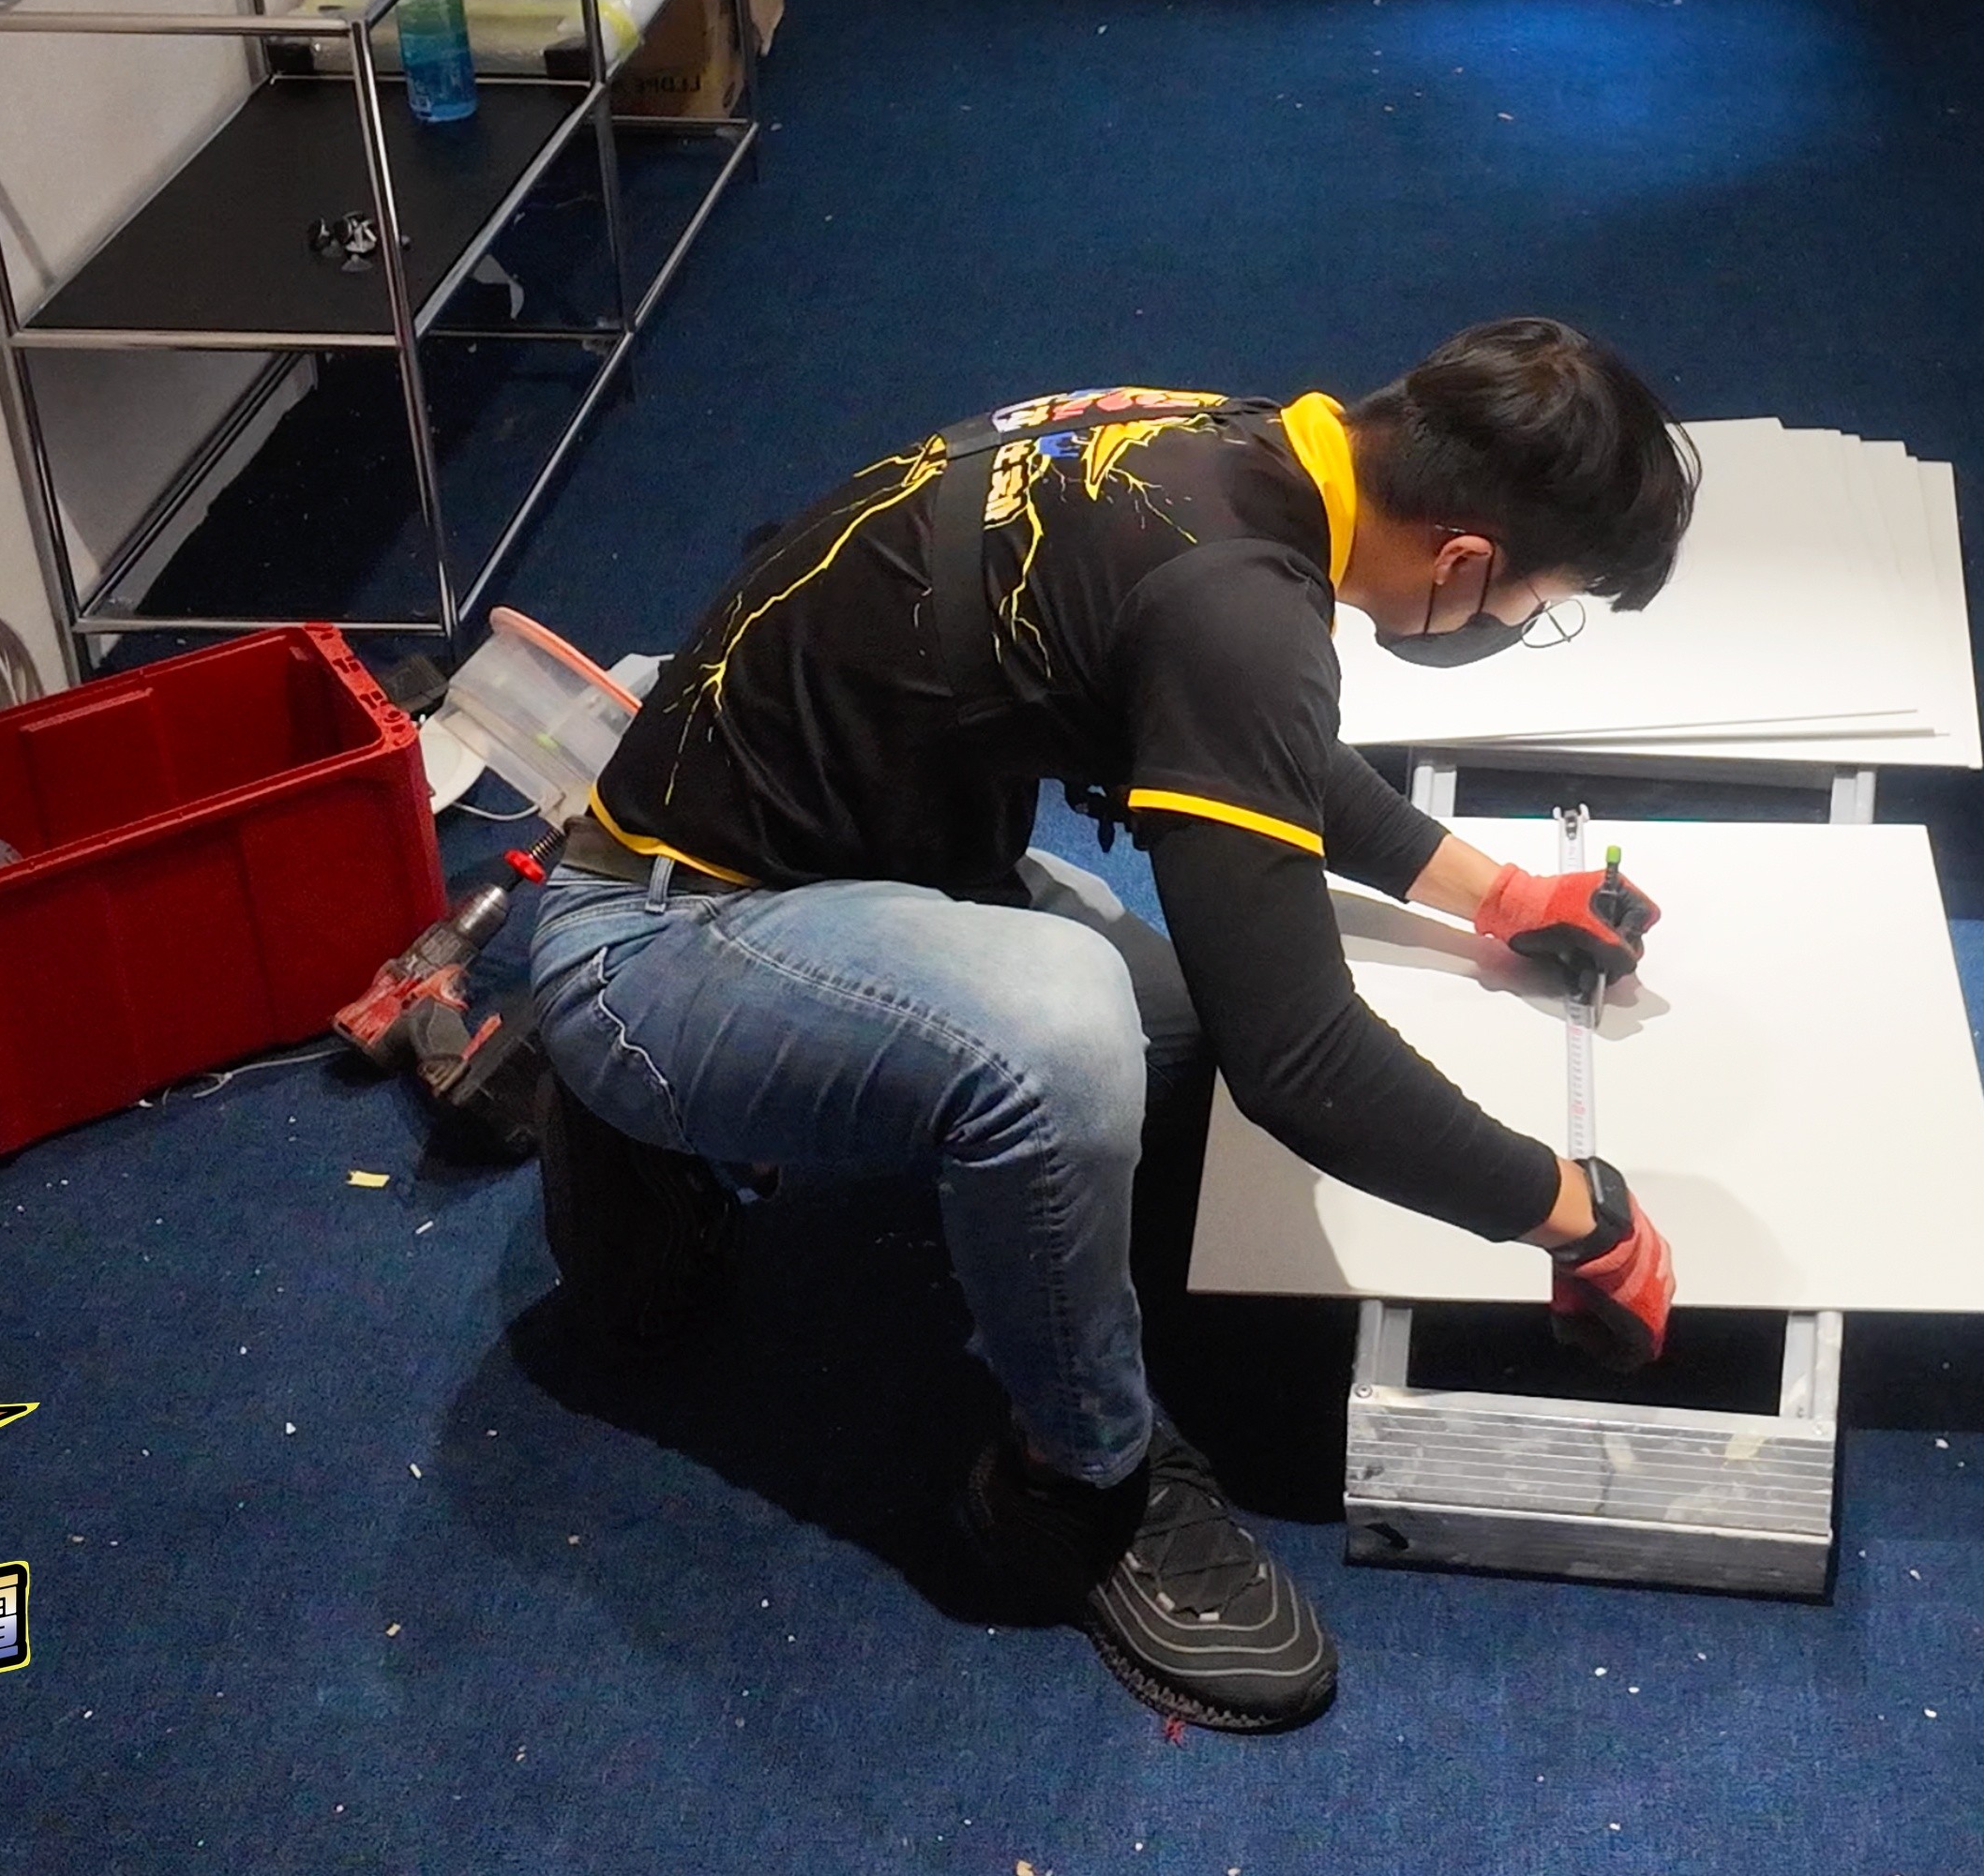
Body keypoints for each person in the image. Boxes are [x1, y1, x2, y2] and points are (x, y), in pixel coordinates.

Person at [519, 318, 1695, 1732]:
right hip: (653, 938)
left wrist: (1496, 892)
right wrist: (1578, 1216)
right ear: (1465, 563)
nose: (1519, 626)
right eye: (1541, 604)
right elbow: (1300, 1062)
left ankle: (750, 1111)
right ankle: (1075, 1483)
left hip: (842, 855)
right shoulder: (1236, 602)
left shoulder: (1233, 446)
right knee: (1063, 1045)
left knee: (1169, 1029)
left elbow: (1256, 743)